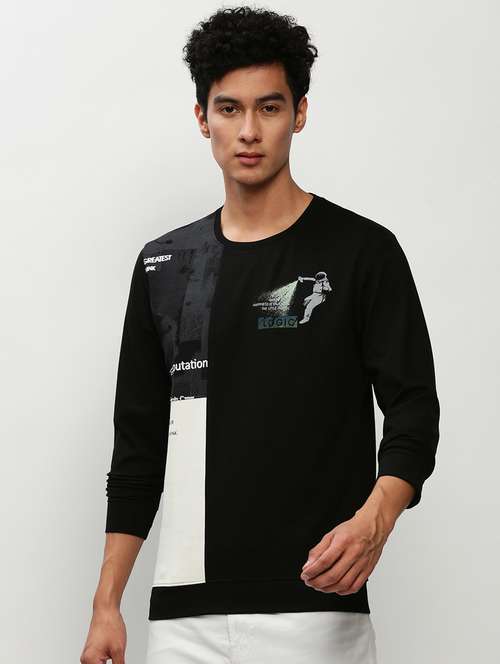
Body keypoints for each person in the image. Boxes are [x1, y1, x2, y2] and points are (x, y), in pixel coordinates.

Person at [80, 6, 440, 664]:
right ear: (203, 118)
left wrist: (377, 518)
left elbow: (414, 409)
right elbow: (138, 447)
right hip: (183, 621)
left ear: (299, 113)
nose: (248, 131)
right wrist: (107, 603)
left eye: (269, 108)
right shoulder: (167, 266)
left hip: (314, 608)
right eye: (229, 108)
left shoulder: (361, 253)